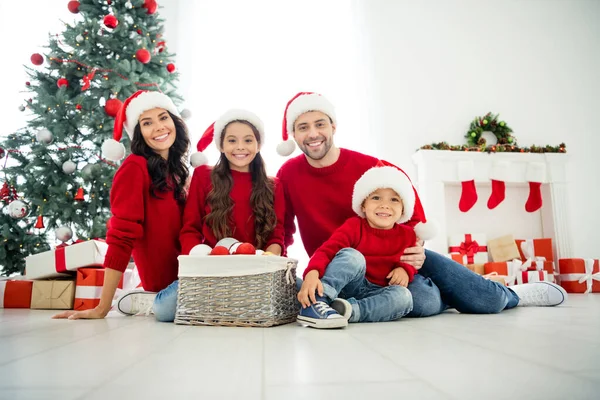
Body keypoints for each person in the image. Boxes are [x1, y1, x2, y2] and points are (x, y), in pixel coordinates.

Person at [276, 92, 567, 322]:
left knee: (488, 303)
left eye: (320, 124)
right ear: (294, 135)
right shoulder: (289, 174)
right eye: (303, 127)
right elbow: (282, 227)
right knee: (424, 303)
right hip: (345, 270)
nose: (313, 134)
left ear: (333, 126)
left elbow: (410, 210)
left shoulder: (371, 166)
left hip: (392, 257)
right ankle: (462, 288)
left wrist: (413, 249)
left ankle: (511, 294)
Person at [53, 90, 191, 322]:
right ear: (137, 133)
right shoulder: (134, 168)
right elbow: (121, 236)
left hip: (189, 274)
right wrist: (101, 308)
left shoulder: (177, 172)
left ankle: (141, 297)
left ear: (174, 121)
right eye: (147, 123)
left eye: (163, 117)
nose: (158, 127)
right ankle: (144, 300)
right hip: (171, 285)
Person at [297, 165, 437, 328]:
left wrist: (405, 270)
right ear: (363, 205)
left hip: (377, 291)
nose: (385, 205)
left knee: (403, 296)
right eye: (376, 198)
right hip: (349, 285)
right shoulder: (354, 226)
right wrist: (312, 273)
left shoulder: (408, 235)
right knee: (352, 256)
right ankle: (317, 300)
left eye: (394, 199)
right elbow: (327, 250)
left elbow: (410, 261)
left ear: (403, 209)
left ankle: (347, 311)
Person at [179, 109, 285, 256]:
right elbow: (190, 229)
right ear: (221, 146)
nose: (240, 146)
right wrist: (200, 261)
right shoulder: (203, 176)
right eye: (232, 140)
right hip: (211, 268)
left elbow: (276, 236)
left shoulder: (274, 186)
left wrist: (268, 261)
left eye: (248, 140)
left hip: (258, 269)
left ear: (258, 145)